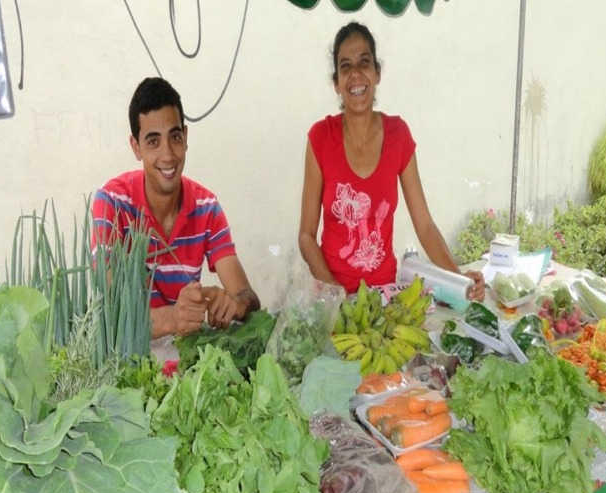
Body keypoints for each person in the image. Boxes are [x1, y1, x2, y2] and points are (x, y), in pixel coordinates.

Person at [298, 21, 485, 302]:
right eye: (345, 67)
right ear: (336, 82)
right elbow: (306, 236)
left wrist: (457, 276)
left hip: (383, 297)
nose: (356, 74)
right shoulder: (320, 138)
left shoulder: (398, 135)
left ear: (377, 73)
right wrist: (334, 295)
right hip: (331, 296)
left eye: (365, 62)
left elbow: (425, 226)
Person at [92, 77, 260, 339]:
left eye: (175, 137)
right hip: (129, 360)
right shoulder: (112, 202)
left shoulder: (207, 208)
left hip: (186, 362)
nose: (168, 155)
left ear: (186, 137)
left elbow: (248, 296)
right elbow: (112, 315)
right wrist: (173, 317)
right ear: (135, 147)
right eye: (153, 141)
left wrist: (235, 304)